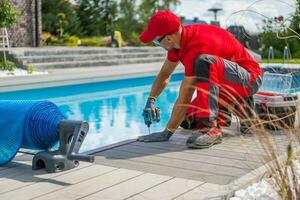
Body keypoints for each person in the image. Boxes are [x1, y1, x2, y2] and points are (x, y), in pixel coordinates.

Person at [137, 10, 262, 149]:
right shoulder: (179, 43)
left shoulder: (197, 46)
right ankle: (232, 110)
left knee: (204, 62)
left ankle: (212, 128)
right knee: (186, 120)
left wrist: (167, 133)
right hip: (225, 82)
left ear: (168, 38)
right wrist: (151, 100)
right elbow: (164, 74)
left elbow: (185, 95)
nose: (157, 45)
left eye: (156, 41)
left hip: (249, 79)